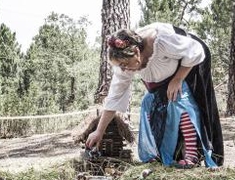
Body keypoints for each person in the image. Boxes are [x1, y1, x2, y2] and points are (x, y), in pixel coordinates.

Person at [85, 23, 224, 168]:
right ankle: (166, 154)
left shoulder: (160, 41)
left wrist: (178, 79)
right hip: (165, 77)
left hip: (191, 62)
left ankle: (193, 154)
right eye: (119, 65)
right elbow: (114, 97)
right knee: (149, 102)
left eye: (124, 64)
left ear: (137, 52)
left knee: (179, 100)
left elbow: (195, 50)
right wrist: (99, 131)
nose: (123, 69)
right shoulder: (125, 65)